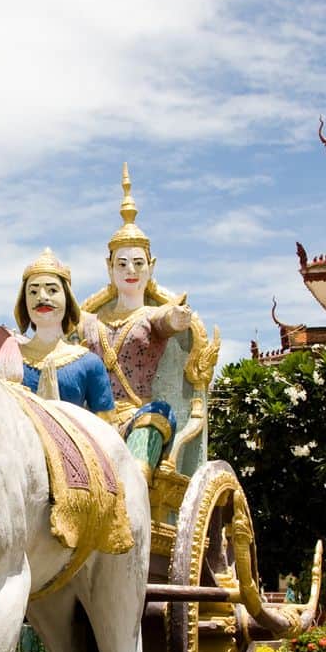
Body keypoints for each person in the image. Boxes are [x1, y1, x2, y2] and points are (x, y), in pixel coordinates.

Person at [77, 166, 206, 469]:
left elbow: (166, 320)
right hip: (95, 421)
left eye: (138, 263)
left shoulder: (150, 316)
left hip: (141, 416)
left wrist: (176, 316)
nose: (130, 271)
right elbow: (63, 317)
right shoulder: (92, 320)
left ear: (151, 266)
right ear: (109, 268)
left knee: (148, 432)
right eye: (122, 264)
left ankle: (134, 491)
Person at [0, 249, 116, 417]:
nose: (42, 297)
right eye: (33, 292)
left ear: (67, 299)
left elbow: (106, 430)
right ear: (23, 302)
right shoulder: (10, 358)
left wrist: (57, 413)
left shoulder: (89, 363)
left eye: (52, 290)